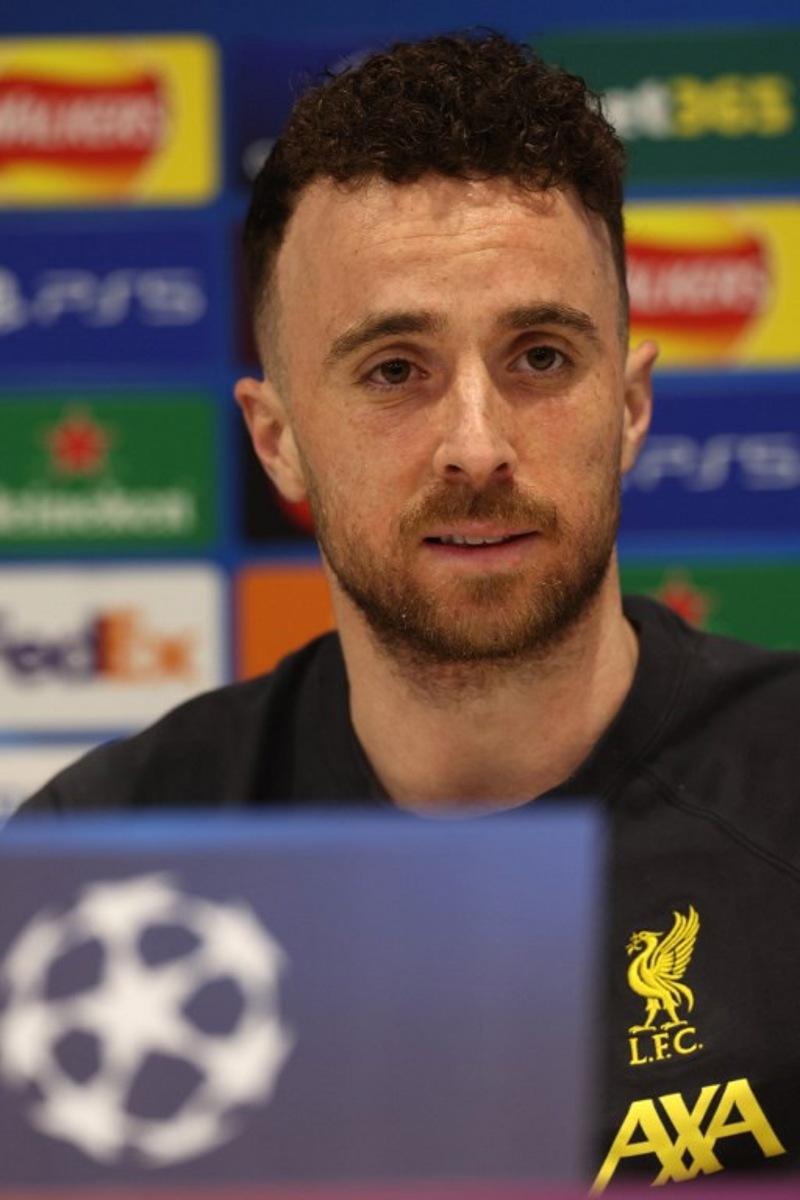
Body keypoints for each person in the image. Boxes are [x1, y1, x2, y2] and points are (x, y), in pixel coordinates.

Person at [17, 33, 800, 1190]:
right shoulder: (95, 865)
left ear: (627, 407)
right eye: (393, 369)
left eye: (538, 356)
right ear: (277, 439)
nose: (476, 445)